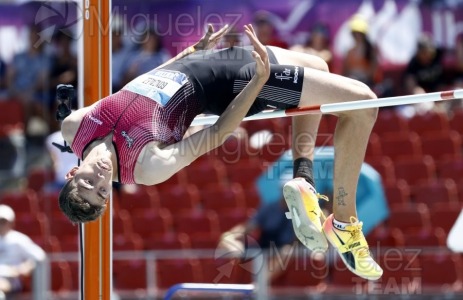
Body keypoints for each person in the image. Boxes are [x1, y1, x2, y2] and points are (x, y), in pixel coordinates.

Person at [59, 24, 382, 280]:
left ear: (73, 172)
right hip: (232, 82)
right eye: (102, 191)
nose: (100, 180)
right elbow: (216, 134)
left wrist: (185, 54)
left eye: (88, 183)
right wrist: (258, 82)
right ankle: (344, 222)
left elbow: (133, 89)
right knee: (363, 104)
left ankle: (304, 179)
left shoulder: (75, 126)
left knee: (318, 64)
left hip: (206, 60)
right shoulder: (146, 166)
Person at [0, 205, 46, 297]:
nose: (1, 224)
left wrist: (23, 268)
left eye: (4, 221)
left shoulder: (19, 239)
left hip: (11, 280)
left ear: (11, 223)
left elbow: (40, 256)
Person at [342, 15, 381, 88]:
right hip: (351, 85)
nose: (357, 36)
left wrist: (360, 78)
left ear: (364, 35)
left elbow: (373, 73)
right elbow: (345, 72)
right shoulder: (349, 52)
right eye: (355, 33)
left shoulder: (371, 51)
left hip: (367, 85)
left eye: (359, 34)